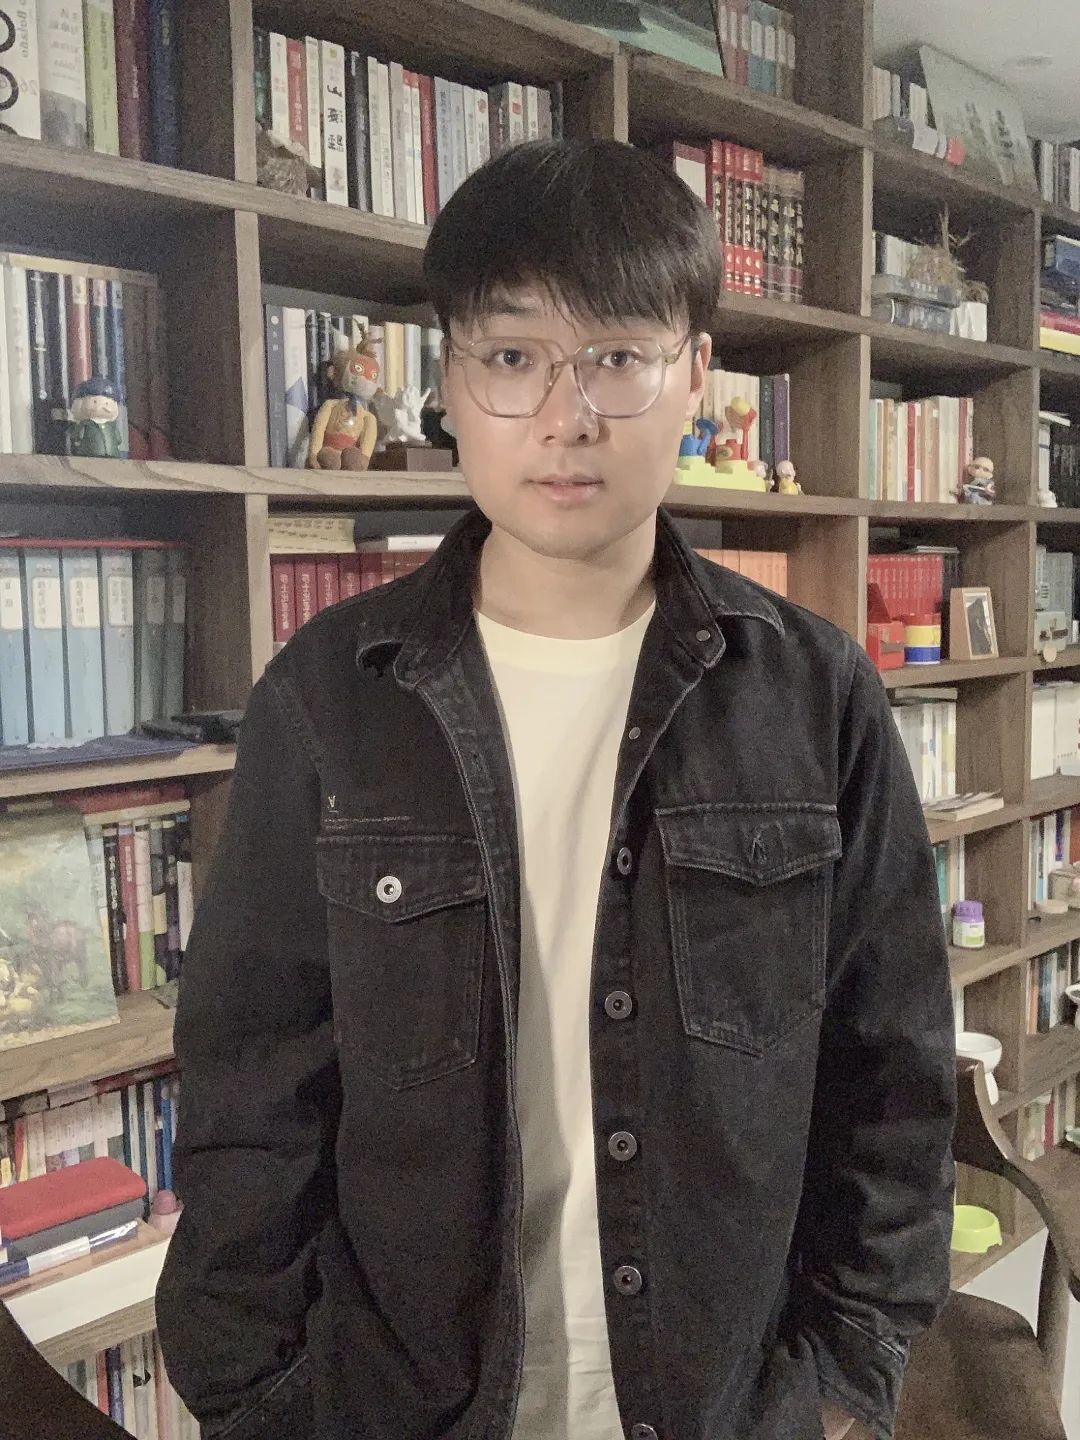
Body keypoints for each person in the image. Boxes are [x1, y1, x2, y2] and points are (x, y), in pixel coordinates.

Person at [156, 138, 955, 1440]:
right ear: (451, 382)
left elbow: (891, 1075)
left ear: (696, 375)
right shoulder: (329, 697)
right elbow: (251, 1088)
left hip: (729, 1401)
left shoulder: (817, 696)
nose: (566, 417)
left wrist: (843, 1381)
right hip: (398, 1404)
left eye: (619, 357)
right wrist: (258, 1392)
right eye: (514, 355)